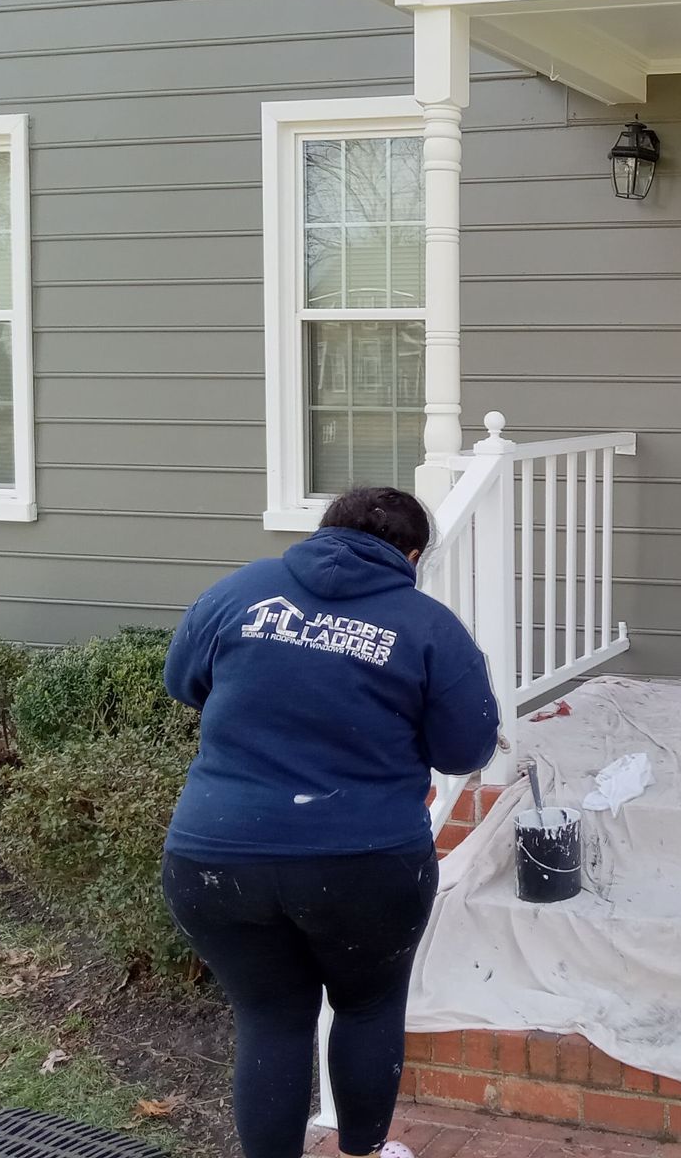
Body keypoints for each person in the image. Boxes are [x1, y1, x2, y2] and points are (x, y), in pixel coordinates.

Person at [161, 487, 502, 1158]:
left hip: (215, 856)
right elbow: (466, 750)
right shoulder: (428, 626)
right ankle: (362, 1154)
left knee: (271, 1019)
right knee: (367, 1007)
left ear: (322, 532)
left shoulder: (239, 593)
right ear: (411, 555)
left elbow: (182, 681)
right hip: (364, 862)